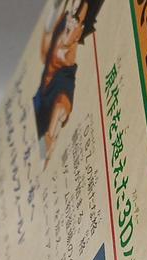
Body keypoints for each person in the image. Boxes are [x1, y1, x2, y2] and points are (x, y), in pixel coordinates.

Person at [33, 0, 104, 163]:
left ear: (80, 32)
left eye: (76, 20)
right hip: (39, 98)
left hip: (48, 108)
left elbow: (62, 105)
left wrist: (50, 135)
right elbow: (44, 53)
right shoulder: (62, 27)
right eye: (72, 14)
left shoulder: (66, 74)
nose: (71, 21)